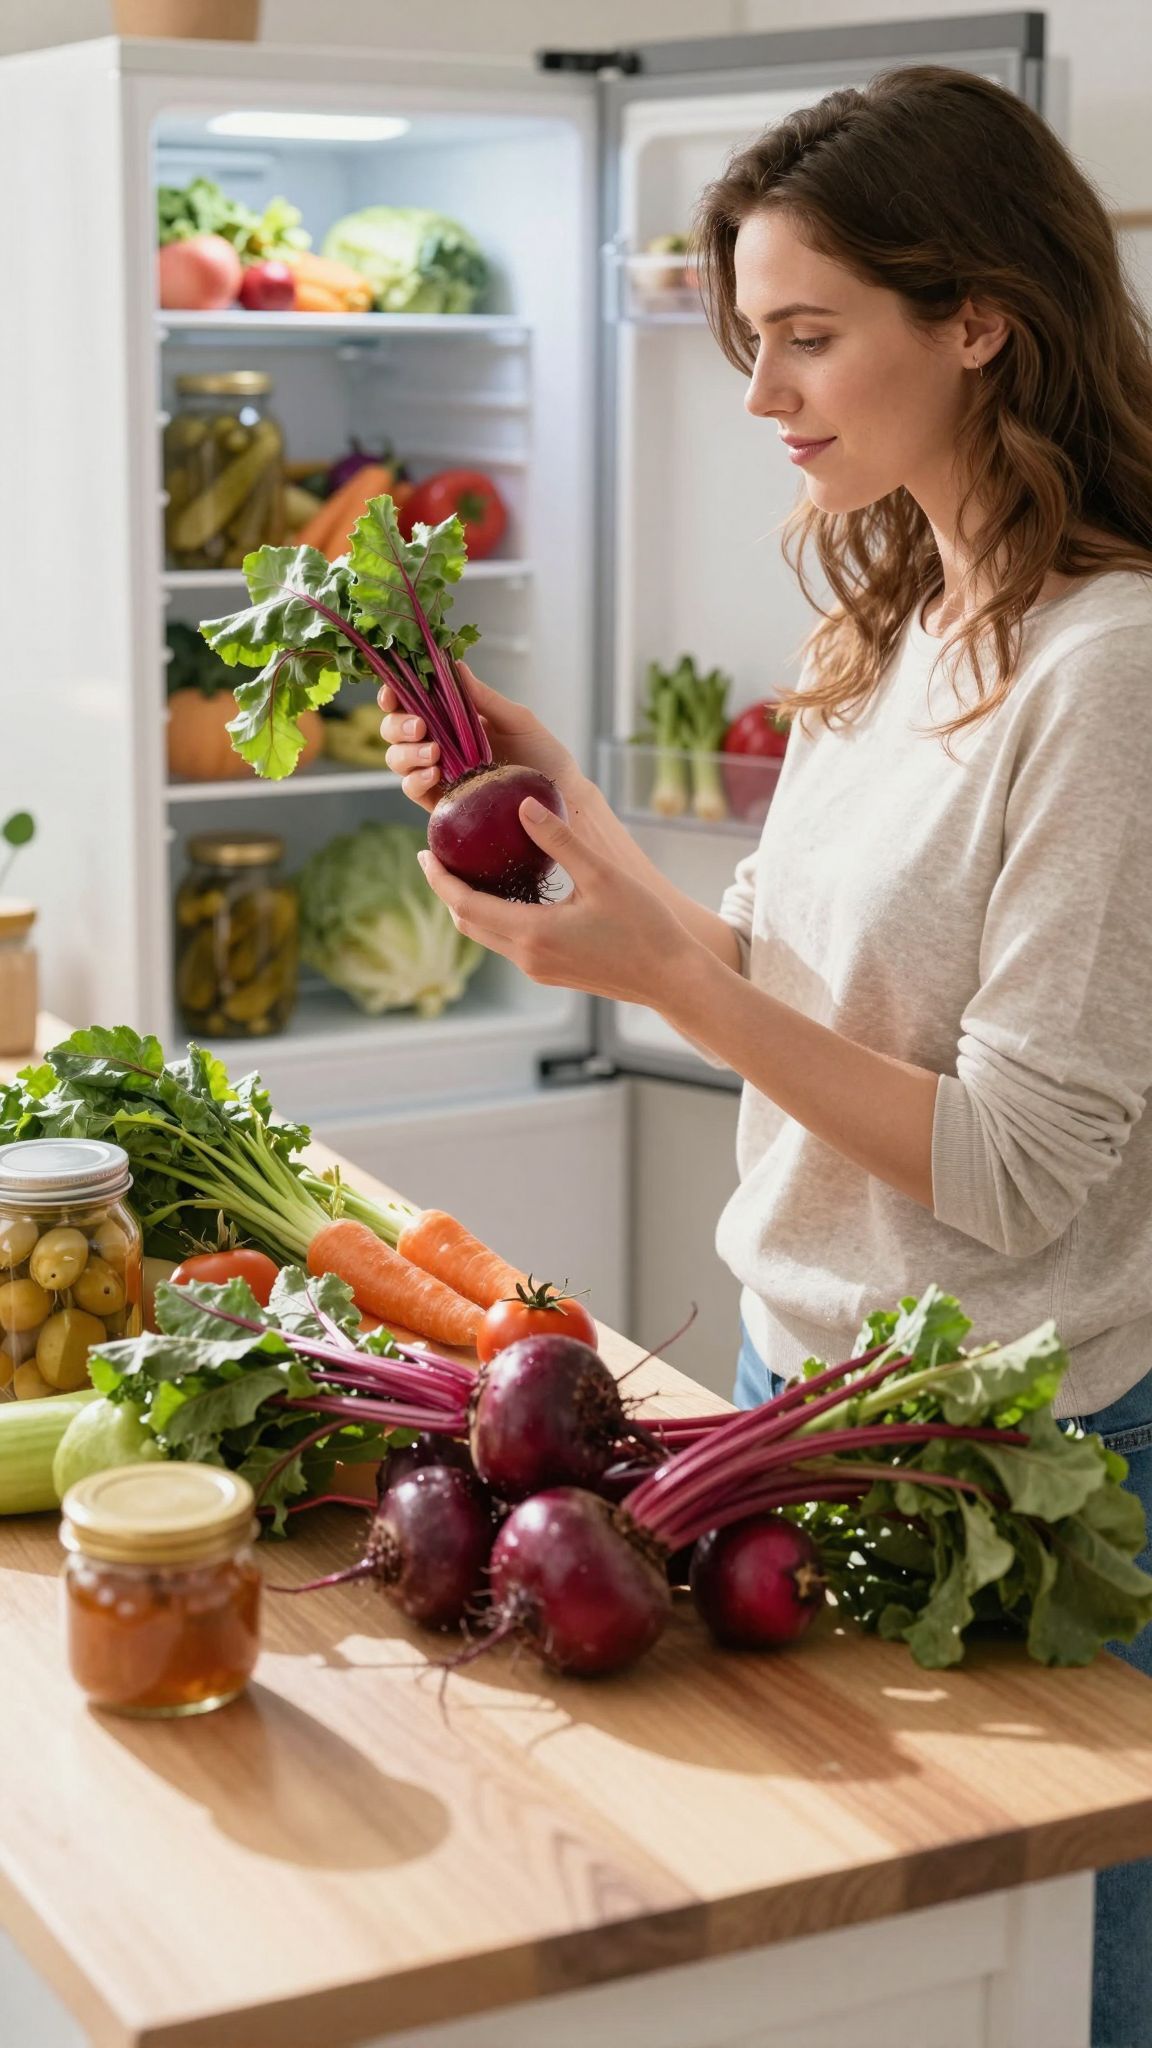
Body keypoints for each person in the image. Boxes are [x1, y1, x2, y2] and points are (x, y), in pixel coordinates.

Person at [380, 66, 1152, 2046]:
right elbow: (791, 980)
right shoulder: (894, 614)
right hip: (782, 1385)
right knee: (855, 1990)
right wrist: (573, 826)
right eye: (749, 341)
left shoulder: (1110, 667)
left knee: (1052, 1986)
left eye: (809, 336)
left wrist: (677, 982)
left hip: (1013, 1453)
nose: (762, 393)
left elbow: (1021, 1163)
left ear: (978, 315)